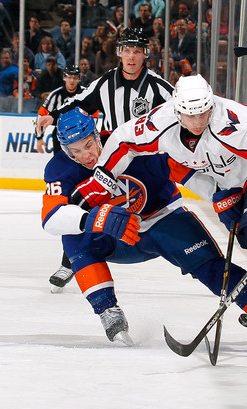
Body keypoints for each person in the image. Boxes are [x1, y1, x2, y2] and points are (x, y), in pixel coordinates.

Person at [76, 75, 247, 352]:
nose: (198, 121)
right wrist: (104, 175)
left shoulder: (232, 120)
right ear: (177, 110)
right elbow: (124, 140)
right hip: (229, 187)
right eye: (191, 115)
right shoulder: (160, 123)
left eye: (204, 112)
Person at [41, 106, 247, 346]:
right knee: (73, 236)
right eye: (75, 151)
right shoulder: (59, 169)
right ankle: (107, 309)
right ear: (65, 150)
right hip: (118, 238)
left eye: (88, 145)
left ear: (97, 134)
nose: (87, 155)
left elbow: (178, 169)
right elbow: (51, 218)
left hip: (163, 219)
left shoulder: (124, 144)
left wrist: (217, 196)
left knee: (214, 271)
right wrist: (96, 219)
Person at [36, 28, 173, 290]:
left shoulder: (159, 87)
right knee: (80, 205)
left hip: (142, 162)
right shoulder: (105, 83)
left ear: (145, 55)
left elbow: (183, 112)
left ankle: (180, 250)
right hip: (108, 159)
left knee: (150, 209)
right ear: (120, 53)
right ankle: (71, 263)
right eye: (127, 51)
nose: (131, 57)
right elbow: (78, 104)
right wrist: (52, 116)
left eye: (137, 52)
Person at [35, 65, 85, 154]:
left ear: (79, 79)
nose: (72, 80)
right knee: (61, 162)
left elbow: (94, 114)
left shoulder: (85, 93)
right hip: (60, 134)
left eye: (75, 78)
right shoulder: (55, 95)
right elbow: (42, 114)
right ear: (64, 78)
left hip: (81, 134)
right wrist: (39, 138)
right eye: (69, 77)